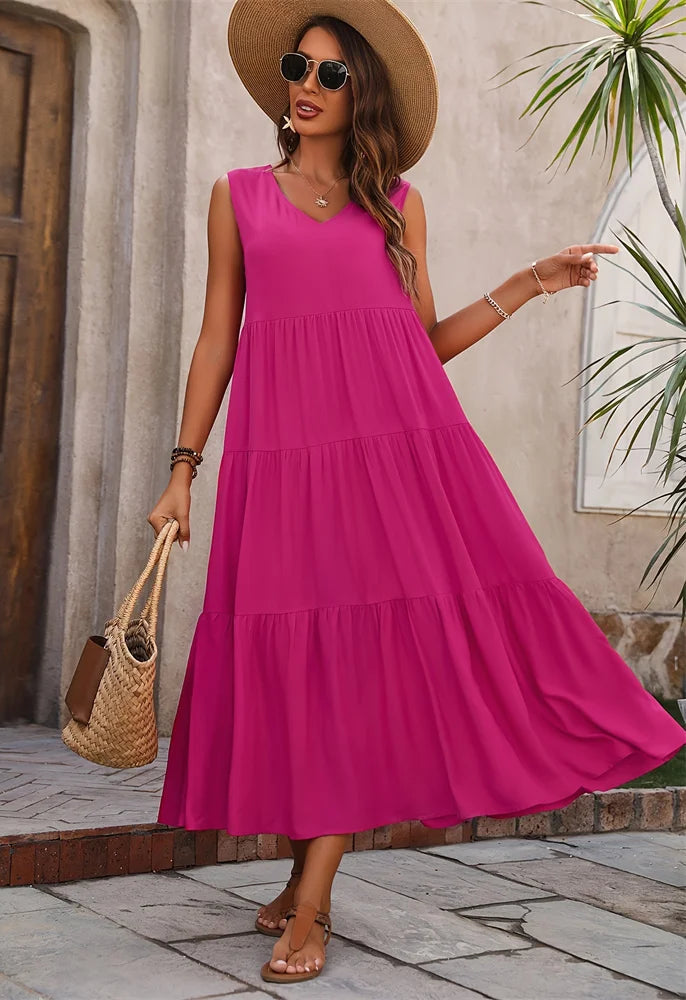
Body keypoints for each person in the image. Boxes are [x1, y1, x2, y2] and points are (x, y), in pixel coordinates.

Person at [150, 0, 686, 985]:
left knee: (356, 675)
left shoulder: (398, 203)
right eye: (297, 69)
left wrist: (527, 283)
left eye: (331, 75)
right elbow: (218, 336)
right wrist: (182, 473)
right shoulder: (238, 196)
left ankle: (310, 907)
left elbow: (417, 351)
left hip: (391, 472)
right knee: (292, 670)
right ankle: (294, 877)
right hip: (281, 471)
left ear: (366, 96)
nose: (306, 88)